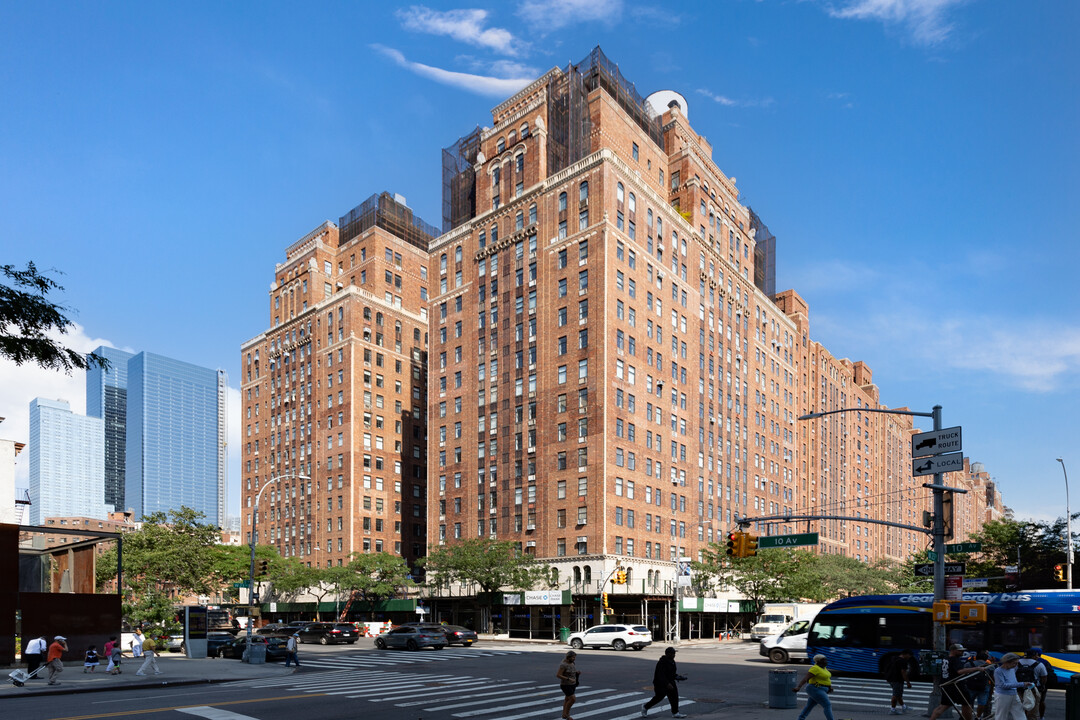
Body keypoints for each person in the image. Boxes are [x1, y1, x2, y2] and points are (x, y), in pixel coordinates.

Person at [929, 644, 979, 720]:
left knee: (943, 706)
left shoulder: (946, 658)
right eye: (960, 651)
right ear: (953, 650)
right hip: (956, 686)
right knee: (967, 704)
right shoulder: (955, 659)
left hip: (947, 685)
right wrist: (976, 668)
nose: (962, 652)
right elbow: (960, 671)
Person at [642, 646, 688, 718]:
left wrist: (678, 677)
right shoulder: (662, 662)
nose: (674, 655)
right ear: (668, 654)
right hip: (660, 683)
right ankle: (645, 707)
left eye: (674, 653)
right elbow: (660, 675)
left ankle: (675, 713)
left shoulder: (672, 661)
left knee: (674, 697)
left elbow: (672, 674)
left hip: (670, 682)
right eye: (673, 653)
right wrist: (667, 684)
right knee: (659, 697)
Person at [993, 653, 1034, 720]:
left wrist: (1022, 685)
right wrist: (1022, 684)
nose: (1016, 665)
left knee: (1020, 715)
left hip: (1014, 694)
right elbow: (1002, 685)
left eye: (1017, 663)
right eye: (1014, 663)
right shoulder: (998, 671)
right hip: (1003, 695)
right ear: (1006, 662)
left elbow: (1013, 682)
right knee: (1001, 716)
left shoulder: (1012, 669)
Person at [794, 654, 835, 720]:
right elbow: (806, 678)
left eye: (826, 659)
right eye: (824, 660)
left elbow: (826, 679)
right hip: (815, 689)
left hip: (821, 689)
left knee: (809, 706)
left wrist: (830, 687)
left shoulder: (824, 668)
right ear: (819, 661)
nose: (826, 661)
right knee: (827, 705)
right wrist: (799, 687)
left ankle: (800, 718)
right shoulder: (815, 668)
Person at [1015, 649, 1047, 720]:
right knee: (1033, 709)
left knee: (1021, 707)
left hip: (1019, 688)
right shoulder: (1039, 664)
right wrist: (1042, 686)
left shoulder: (1017, 663)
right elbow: (1044, 677)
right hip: (1033, 689)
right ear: (1034, 655)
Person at [885, 649, 916, 714]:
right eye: (909, 656)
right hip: (897, 679)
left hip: (891, 679)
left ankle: (903, 706)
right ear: (906, 654)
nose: (909, 658)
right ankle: (892, 710)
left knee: (898, 694)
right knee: (895, 695)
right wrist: (908, 682)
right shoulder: (903, 661)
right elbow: (903, 672)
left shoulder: (894, 658)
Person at [556, 650, 580, 720]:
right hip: (565, 685)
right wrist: (568, 679)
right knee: (572, 699)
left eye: (574, 657)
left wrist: (576, 672)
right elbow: (558, 675)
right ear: (568, 657)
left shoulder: (572, 663)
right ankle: (567, 714)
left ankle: (564, 714)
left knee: (567, 699)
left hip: (573, 684)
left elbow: (572, 671)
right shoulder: (563, 665)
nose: (574, 659)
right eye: (573, 657)